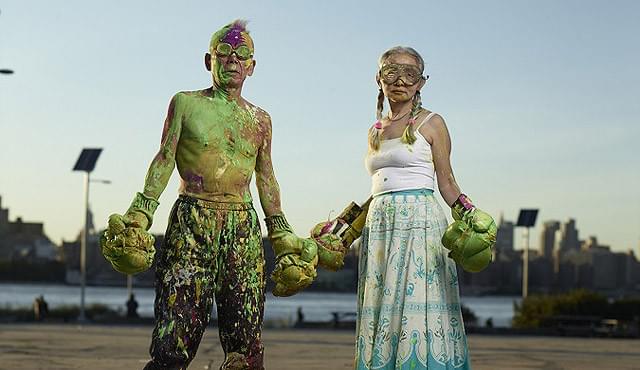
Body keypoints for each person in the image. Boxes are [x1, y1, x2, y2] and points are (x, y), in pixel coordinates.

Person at [100, 20, 319, 370]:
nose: (233, 60)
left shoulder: (261, 120)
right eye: (224, 53)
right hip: (193, 219)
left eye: (242, 54)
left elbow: (266, 176)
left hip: (242, 227)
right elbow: (164, 158)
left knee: (245, 335)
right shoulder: (186, 103)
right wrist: (140, 213)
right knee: (176, 327)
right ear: (208, 60)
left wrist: (280, 232)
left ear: (252, 66)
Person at [354, 46, 496, 369]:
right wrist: (343, 231)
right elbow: (379, 187)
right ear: (379, 78)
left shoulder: (432, 123)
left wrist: (472, 216)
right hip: (379, 228)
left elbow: (447, 182)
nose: (400, 80)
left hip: (418, 223)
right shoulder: (373, 131)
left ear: (421, 82)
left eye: (410, 74)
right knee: (382, 306)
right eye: (391, 71)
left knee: (419, 305)